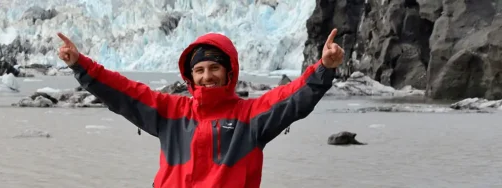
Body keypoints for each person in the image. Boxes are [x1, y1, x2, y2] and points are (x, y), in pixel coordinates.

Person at [55, 29, 345, 188]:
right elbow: (124, 93)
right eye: (200, 70)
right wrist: (81, 65)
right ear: (190, 76)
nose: (207, 76)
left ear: (229, 72)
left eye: (215, 67)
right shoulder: (171, 112)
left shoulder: (250, 117)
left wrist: (324, 69)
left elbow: (292, 99)